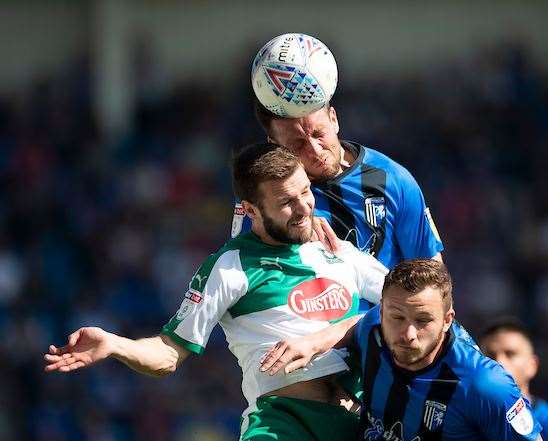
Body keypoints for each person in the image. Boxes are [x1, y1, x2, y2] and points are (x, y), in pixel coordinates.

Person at [44, 142, 389, 441]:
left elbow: (411, 302)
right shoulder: (229, 266)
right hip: (283, 424)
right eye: (286, 202)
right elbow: (169, 353)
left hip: (358, 421)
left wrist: (336, 333)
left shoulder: (336, 249)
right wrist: (114, 344)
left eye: (305, 192)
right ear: (251, 210)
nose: (303, 208)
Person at [261, 259, 543, 441]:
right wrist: (314, 342)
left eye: (423, 321)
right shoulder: (375, 329)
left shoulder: (484, 386)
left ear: (448, 320)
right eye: (397, 318)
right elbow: (359, 322)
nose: (407, 334)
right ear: (382, 311)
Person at [232, 100, 443, 270]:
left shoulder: (393, 179)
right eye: (298, 144)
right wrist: (292, 227)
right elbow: (244, 271)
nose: (315, 150)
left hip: (383, 320)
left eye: (318, 134)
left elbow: (431, 272)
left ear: (333, 119)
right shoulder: (264, 195)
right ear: (275, 145)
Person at [479, 320, 548, 441]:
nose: (498, 362)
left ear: (532, 366)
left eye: (510, 354)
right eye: (490, 355)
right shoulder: (462, 418)